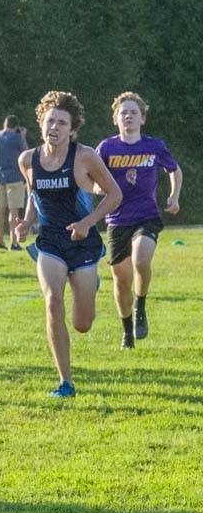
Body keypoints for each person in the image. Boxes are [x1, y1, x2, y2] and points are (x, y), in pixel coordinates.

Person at [14, 91, 122, 398]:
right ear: (42, 124)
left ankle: (90, 284)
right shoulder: (27, 160)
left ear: (72, 129)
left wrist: (87, 223)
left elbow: (114, 195)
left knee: (83, 324)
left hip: (84, 243)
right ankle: (65, 381)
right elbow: (34, 196)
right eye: (50, 121)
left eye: (62, 122)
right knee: (52, 302)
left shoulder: (85, 156)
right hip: (50, 242)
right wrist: (25, 223)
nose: (55, 127)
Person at [96, 92, 183, 349]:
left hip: (147, 216)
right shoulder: (107, 148)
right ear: (116, 119)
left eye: (134, 112)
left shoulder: (154, 146)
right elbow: (90, 175)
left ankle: (141, 304)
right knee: (121, 279)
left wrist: (174, 196)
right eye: (124, 113)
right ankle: (127, 331)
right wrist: (97, 187)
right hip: (117, 219)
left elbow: (174, 170)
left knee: (141, 259)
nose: (129, 116)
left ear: (142, 118)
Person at [0, 115, 28, 250]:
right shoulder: (17, 138)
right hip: (14, 178)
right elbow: (26, 152)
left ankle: (0, 241)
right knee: (14, 212)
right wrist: (23, 136)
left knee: (0, 209)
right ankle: (14, 242)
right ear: (16, 127)